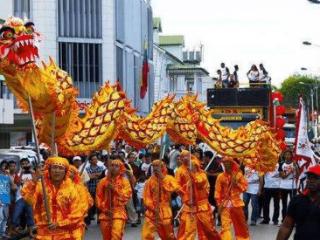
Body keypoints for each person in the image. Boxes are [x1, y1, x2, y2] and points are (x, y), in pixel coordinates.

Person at [21, 157, 84, 240]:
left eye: (61, 168)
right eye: (54, 167)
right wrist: (34, 181)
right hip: (44, 234)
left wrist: (59, 223)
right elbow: (29, 200)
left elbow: (77, 215)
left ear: (65, 172)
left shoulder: (71, 190)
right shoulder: (40, 186)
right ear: (49, 170)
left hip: (65, 234)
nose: (57, 171)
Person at [176, 150, 221, 240]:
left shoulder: (202, 175)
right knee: (188, 230)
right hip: (189, 206)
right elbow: (178, 186)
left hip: (202, 206)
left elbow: (200, 183)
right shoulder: (180, 171)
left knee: (208, 229)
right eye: (183, 156)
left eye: (194, 167)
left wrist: (192, 177)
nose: (192, 168)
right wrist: (185, 194)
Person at [276, 164, 320, 240]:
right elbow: (286, 226)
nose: (311, 181)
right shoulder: (297, 200)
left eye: (316, 178)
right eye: (309, 177)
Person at [142, 160, 179, 240]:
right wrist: (152, 207)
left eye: (157, 166)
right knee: (146, 235)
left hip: (165, 210)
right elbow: (146, 197)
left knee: (168, 236)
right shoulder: (149, 181)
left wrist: (162, 178)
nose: (155, 168)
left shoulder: (169, 178)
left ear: (162, 167)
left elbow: (174, 188)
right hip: (152, 211)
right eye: (153, 166)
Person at [96, 159, 132, 240]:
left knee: (116, 235)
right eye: (112, 165)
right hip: (105, 213)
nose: (114, 167)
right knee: (106, 237)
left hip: (118, 212)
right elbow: (98, 197)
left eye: (116, 166)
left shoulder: (124, 181)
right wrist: (104, 209)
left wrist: (115, 189)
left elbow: (126, 195)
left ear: (121, 168)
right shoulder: (103, 181)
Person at [215, 157, 249, 240]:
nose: (226, 165)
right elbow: (217, 192)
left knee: (240, 225)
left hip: (237, 204)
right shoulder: (220, 176)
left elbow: (245, 188)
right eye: (224, 163)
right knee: (225, 226)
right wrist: (219, 204)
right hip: (225, 204)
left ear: (231, 163)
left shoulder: (238, 175)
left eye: (228, 163)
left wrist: (236, 184)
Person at [12, 158, 35, 235]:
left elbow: (36, 183)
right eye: (23, 164)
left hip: (30, 198)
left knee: (30, 216)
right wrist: (21, 173)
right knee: (16, 215)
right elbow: (17, 184)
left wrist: (32, 172)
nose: (25, 165)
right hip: (20, 197)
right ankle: (16, 230)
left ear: (29, 164)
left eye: (26, 163)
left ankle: (31, 232)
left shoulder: (32, 172)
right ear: (21, 165)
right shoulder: (18, 174)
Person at [68, 165, 93, 237]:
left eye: (71, 172)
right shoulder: (59, 186)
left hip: (76, 220)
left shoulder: (80, 187)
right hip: (61, 222)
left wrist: (74, 216)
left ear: (75, 174)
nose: (69, 174)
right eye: (68, 172)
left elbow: (84, 204)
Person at [203, 152, 223, 224]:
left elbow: (220, 174)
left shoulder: (216, 164)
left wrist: (209, 174)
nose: (203, 158)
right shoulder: (204, 164)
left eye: (204, 156)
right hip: (208, 188)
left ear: (208, 157)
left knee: (217, 203)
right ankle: (212, 218)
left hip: (215, 187)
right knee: (210, 203)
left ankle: (220, 219)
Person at [85, 153, 105, 225]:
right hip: (90, 188)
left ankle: (100, 219)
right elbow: (89, 177)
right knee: (90, 204)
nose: (95, 160)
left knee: (99, 204)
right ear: (90, 161)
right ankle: (89, 218)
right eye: (93, 159)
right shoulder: (87, 168)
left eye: (96, 159)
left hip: (99, 189)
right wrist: (96, 175)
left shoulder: (101, 168)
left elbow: (101, 176)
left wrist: (93, 175)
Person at [279, 150, 298, 221]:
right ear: (284, 156)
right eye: (286, 155)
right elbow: (283, 176)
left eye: (289, 155)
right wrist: (290, 171)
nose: (287, 156)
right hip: (283, 186)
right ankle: (284, 219)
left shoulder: (294, 163)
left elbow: (298, 175)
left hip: (292, 186)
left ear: (291, 156)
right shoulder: (281, 164)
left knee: (293, 204)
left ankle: (293, 219)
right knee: (284, 204)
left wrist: (296, 167)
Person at [0, 160, 16, 239]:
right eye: (3, 166)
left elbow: (14, 187)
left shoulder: (8, 176)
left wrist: (9, 175)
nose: (4, 168)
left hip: (6, 199)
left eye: (6, 167)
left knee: (5, 217)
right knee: (1, 217)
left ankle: (2, 233)